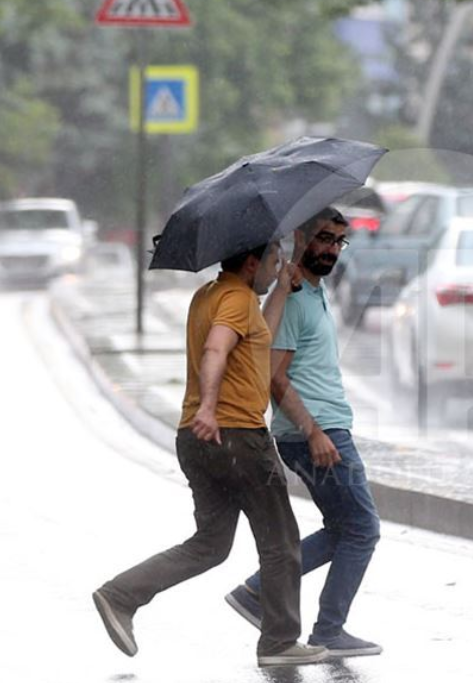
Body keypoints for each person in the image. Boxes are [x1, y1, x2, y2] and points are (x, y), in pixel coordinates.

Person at [91, 239, 330, 668]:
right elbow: (217, 348)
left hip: (196, 440)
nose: (277, 267)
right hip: (237, 436)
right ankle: (279, 641)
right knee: (280, 541)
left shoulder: (210, 296)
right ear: (252, 262)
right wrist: (208, 406)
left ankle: (120, 595)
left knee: (210, 545)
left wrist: (281, 289)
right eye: (272, 262)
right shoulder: (237, 300)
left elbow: (259, 341)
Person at [225, 203, 383, 658]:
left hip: (322, 428)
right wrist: (314, 432)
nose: (332, 249)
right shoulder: (293, 298)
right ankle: (328, 630)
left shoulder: (313, 292)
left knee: (344, 527)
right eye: (323, 239)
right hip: (316, 431)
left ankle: (257, 592)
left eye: (338, 241)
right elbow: (275, 377)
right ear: (301, 237)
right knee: (362, 528)